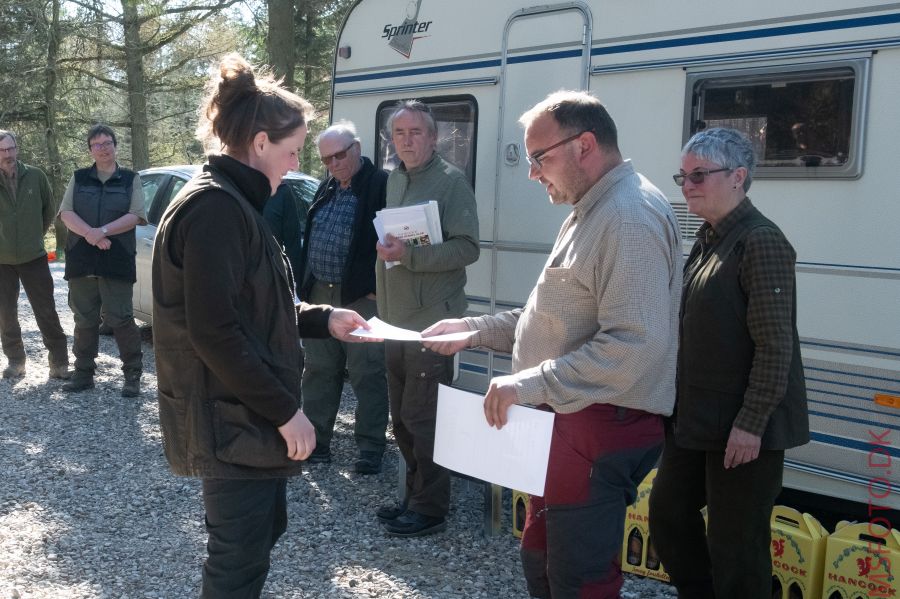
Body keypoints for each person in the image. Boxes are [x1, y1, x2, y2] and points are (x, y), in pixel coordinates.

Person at [423, 90, 682, 598]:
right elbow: (554, 315)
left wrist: (530, 382)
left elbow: (635, 345)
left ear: (584, 145)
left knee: (578, 576)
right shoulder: (594, 208)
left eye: (539, 158)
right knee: (542, 558)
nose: (532, 172)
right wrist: (474, 330)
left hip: (598, 424)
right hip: (571, 423)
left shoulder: (627, 217)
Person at [151, 53, 372, 599]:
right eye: (293, 152)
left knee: (257, 540)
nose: (296, 166)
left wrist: (325, 319)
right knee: (236, 564)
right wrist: (287, 412)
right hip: (232, 424)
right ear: (259, 145)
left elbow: (258, 310)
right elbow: (215, 332)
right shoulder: (215, 211)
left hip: (245, 421)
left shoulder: (237, 204)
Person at [648, 127, 809, 599]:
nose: (686, 185)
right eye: (683, 176)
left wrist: (751, 423)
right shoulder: (709, 238)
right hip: (696, 419)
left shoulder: (761, 242)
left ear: (738, 177)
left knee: (736, 545)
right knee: (669, 516)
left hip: (743, 428)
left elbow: (775, 344)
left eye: (699, 175)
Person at [374, 99, 479, 537]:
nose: (407, 140)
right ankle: (414, 495)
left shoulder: (452, 182)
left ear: (434, 138)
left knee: (425, 418)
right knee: (401, 418)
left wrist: (410, 256)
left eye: (416, 133)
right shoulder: (395, 179)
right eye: (400, 133)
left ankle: (430, 508)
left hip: (432, 323)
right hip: (395, 321)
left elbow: (467, 248)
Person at [297, 121, 389, 474]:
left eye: (339, 155)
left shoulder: (380, 185)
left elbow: (397, 238)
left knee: (367, 371)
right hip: (323, 290)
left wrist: (379, 287)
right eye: (326, 159)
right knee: (319, 369)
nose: (334, 164)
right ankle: (317, 442)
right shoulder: (327, 187)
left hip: (361, 296)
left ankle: (370, 447)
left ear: (357, 148)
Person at [58, 124, 146, 397]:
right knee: (84, 317)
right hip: (82, 257)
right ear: (90, 150)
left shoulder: (130, 179)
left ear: (115, 146)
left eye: (108, 143)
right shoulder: (79, 178)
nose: (103, 148)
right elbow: (66, 213)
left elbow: (136, 215)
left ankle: (132, 375)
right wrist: (90, 235)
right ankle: (83, 373)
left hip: (116, 257)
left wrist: (102, 232)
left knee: (121, 318)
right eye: (97, 144)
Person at [0, 129, 70, 380]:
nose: (8, 154)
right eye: (2, 150)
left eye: (11, 148)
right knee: (5, 313)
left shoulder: (36, 176)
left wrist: (33, 237)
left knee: (46, 310)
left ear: (17, 149)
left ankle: (59, 363)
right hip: (2, 261)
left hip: (34, 257)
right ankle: (16, 361)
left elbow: (48, 210)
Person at [263, 181, 306, 293]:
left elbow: (293, 244)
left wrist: (296, 284)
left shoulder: (282, 191)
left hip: (272, 278)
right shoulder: (233, 188)